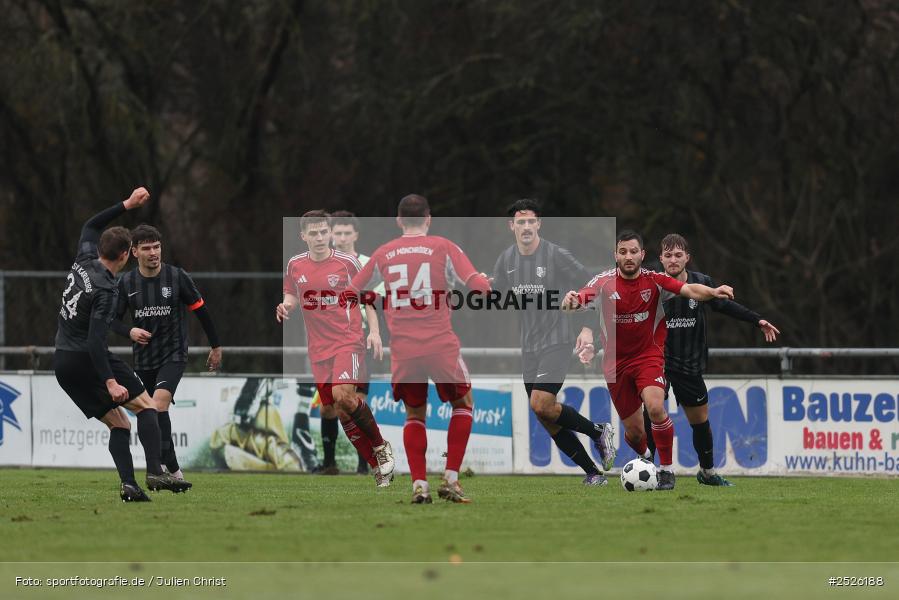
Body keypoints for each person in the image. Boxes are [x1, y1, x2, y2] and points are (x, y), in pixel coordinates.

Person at [562, 230, 734, 491]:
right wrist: (570, 302)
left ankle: (666, 470)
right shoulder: (603, 282)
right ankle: (645, 459)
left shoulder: (655, 280)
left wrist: (713, 290)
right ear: (616, 255)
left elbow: (688, 289)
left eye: (633, 251)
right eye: (623, 252)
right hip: (615, 364)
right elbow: (578, 301)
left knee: (655, 407)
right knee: (635, 433)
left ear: (642, 254)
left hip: (648, 357)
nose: (628, 257)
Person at [349, 194, 491, 504]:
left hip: (403, 349)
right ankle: (451, 479)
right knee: (464, 404)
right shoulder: (444, 247)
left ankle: (419, 485)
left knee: (414, 414)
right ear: (428, 218)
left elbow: (351, 291)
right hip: (440, 345)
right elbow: (480, 288)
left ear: (399, 221)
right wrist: (484, 281)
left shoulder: (384, 253)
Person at [53, 188, 189, 501]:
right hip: (87, 358)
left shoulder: (83, 261)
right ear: (127, 255)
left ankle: (130, 486)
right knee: (148, 407)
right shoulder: (106, 290)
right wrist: (111, 381)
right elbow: (95, 340)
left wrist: (126, 205)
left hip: (62, 363)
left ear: (100, 249)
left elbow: (89, 225)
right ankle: (155, 472)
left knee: (120, 423)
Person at [492, 199, 615, 485]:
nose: (525, 226)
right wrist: (486, 287)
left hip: (557, 341)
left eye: (530, 221)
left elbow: (592, 286)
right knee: (545, 416)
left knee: (541, 404)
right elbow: (498, 295)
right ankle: (593, 473)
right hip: (529, 346)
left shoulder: (556, 255)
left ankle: (598, 432)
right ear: (512, 227)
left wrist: (586, 328)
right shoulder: (506, 260)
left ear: (538, 224)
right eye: (519, 222)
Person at [642, 233, 780, 486]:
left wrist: (756, 320)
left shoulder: (702, 284)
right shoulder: (651, 284)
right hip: (656, 361)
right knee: (653, 410)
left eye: (678, 255)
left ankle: (707, 472)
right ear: (661, 258)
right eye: (668, 255)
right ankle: (651, 471)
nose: (673, 259)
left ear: (687, 257)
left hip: (689, 364)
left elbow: (724, 305)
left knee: (700, 421)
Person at [276, 210, 395, 487]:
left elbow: (366, 298)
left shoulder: (348, 263)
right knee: (339, 410)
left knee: (344, 396)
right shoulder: (295, 265)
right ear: (303, 236)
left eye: (323, 232)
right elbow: (291, 294)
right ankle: (377, 467)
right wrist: (286, 306)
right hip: (318, 348)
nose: (319, 237)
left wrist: (375, 333)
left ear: (329, 233)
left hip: (348, 339)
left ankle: (380, 446)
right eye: (313, 233)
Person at [110, 224, 223, 487]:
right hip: (144, 359)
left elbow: (201, 311)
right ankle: (172, 467)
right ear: (134, 251)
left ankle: (159, 468)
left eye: (157, 247)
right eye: (147, 248)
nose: (153, 252)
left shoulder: (177, 277)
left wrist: (216, 346)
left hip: (173, 354)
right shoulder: (126, 282)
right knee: (152, 412)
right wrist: (130, 331)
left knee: (158, 403)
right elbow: (111, 321)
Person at [313, 210, 384, 475]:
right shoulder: (321, 263)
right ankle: (330, 463)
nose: (341, 238)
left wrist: (372, 331)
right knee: (327, 407)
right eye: (337, 232)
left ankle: (365, 464)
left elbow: (374, 301)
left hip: (357, 340)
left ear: (355, 234)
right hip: (326, 344)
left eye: (346, 233)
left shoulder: (366, 263)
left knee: (354, 400)